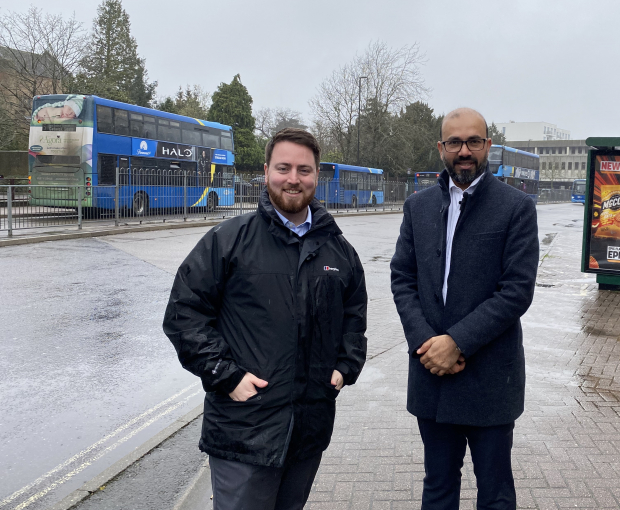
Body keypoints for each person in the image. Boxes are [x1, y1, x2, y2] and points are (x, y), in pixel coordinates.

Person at [163, 128, 368, 510]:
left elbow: (355, 317)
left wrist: (346, 365)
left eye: (304, 170)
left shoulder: (339, 251)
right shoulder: (228, 240)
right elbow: (183, 314)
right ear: (266, 171)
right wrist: (226, 375)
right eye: (284, 168)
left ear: (316, 175)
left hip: (308, 430)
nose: (293, 179)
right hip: (244, 431)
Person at [390, 107, 539, 509]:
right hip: (431, 375)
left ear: (487, 145)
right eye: (454, 142)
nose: (464, 151)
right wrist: (426, 343)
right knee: (437, 489)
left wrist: (456, 342)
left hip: (490, 378)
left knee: (495, 493)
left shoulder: (516, 208)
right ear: (441, 148)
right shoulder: (417, 207)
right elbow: (402, 278)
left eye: (474, 141)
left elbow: (516, 291)